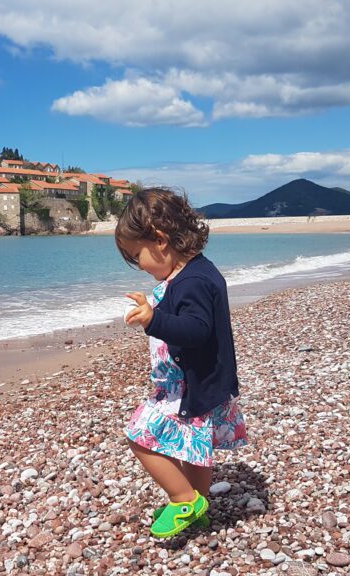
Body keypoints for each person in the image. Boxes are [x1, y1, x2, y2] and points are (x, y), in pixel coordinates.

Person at [116, 188, 248, 538]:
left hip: (188, 386)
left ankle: (183, 499)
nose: (139, 266)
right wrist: (155, 308)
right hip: (201, 380)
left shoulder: (192, 281)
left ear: (159, 240)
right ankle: (199, 506)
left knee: (140, 437)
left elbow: (196, 330)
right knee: (193, 450)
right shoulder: (195, 272)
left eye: (136, 255)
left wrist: (152, 320)